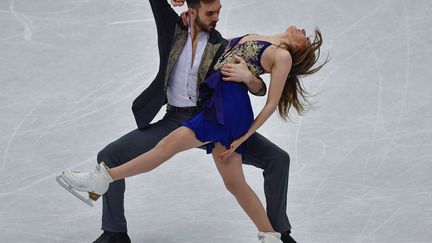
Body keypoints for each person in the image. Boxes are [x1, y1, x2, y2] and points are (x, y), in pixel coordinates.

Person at [59, 1, 326, 243]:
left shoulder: (224, 43)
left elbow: (260, 87)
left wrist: (249, 78)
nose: (216, 18)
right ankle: (114, 232)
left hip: (212, 114)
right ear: (192, 11)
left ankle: (280, 234)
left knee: (275, 160)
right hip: (182, 116)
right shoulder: (176, 29)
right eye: (210, 13)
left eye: (218, 12)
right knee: (111, 155)